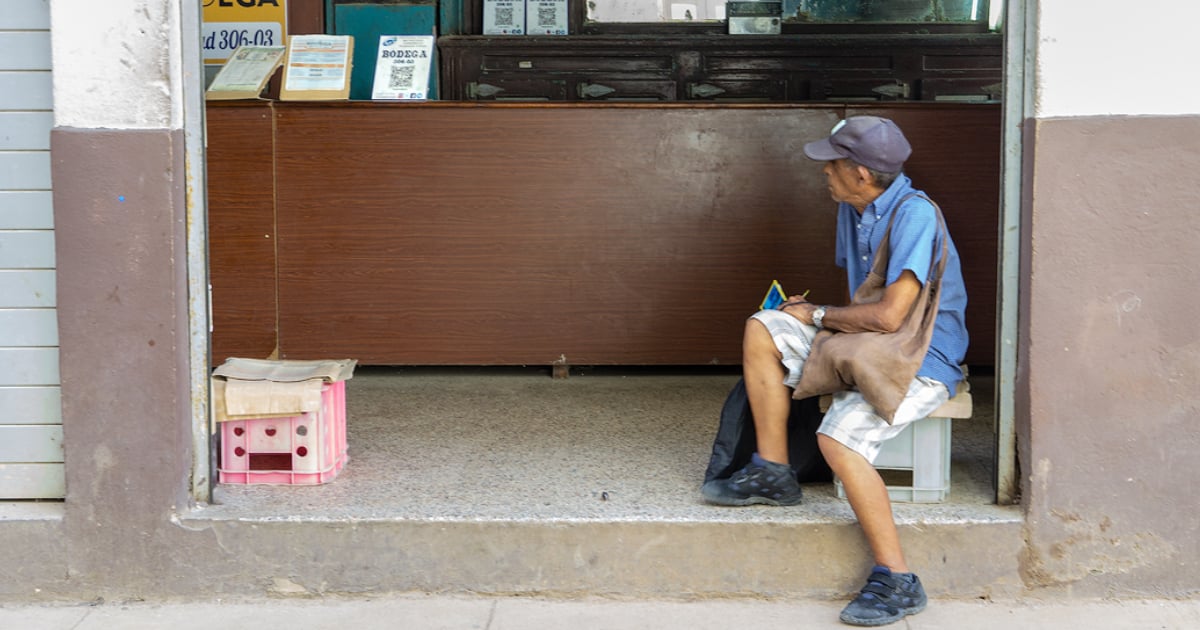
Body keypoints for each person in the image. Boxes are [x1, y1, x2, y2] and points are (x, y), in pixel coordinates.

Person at [700, 116, 968, 627]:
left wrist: (819, 316)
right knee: (765, 325)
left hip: (921, 356)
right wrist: (808, 313)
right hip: (872, 344)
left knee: (837, 440)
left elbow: (892, 316)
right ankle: (773, 472)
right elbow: (863, 303)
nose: (824, 172)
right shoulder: (855, 208)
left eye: (832, 164)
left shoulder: (914, 216)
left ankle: (898, 578)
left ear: (861, 173)